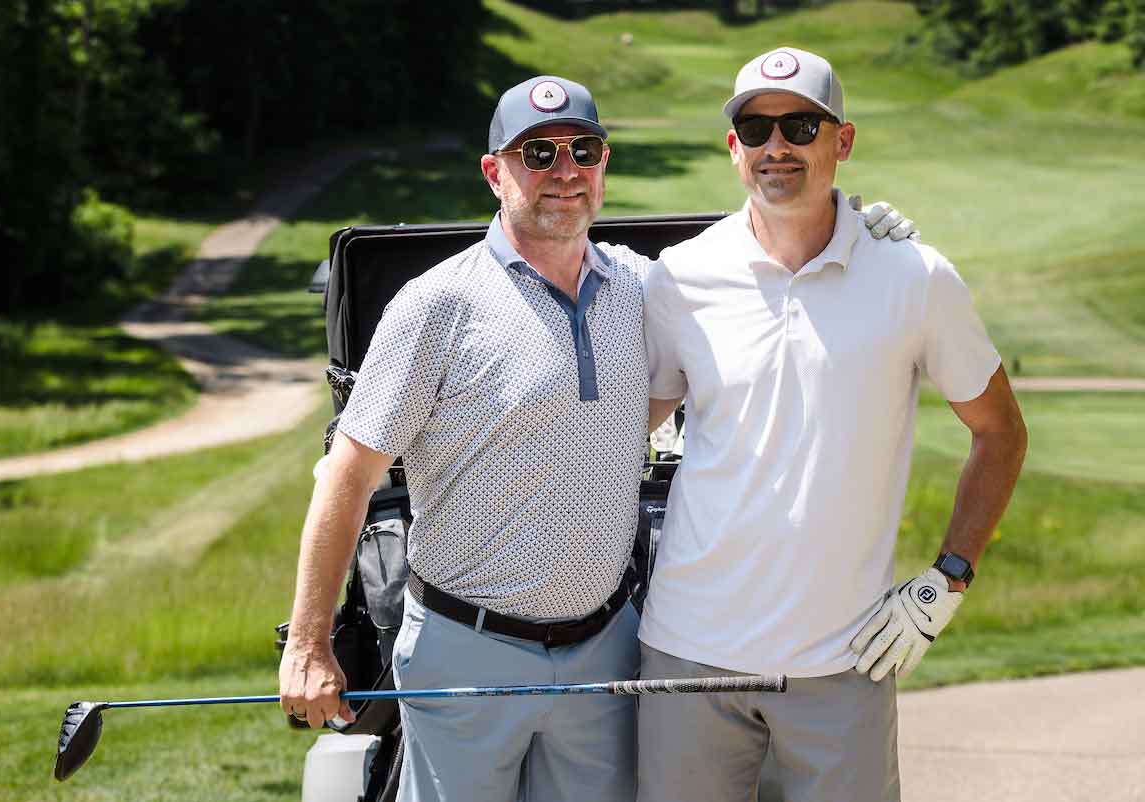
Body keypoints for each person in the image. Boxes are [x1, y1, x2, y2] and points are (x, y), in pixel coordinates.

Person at [280, 72, 913, 802]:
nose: (565, 171)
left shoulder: (645, 288)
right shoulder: (437, 304)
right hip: (464, 649)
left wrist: (854, 231)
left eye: (583, 150)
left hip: (602, 653)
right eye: (538, 154)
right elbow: (348, 477)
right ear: (494, 172)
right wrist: (310, 642)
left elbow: (761, 278)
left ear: (603, 164)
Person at [637, 47, 1028, 802]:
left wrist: (948, 579)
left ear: (841, 141)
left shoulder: (915, 276)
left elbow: (1001, 432)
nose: (777, 147)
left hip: (845, 661)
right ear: (733, 147)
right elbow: (621, 434)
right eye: (757, 129)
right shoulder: (678, 276)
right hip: (686, 657)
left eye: (801, 126)